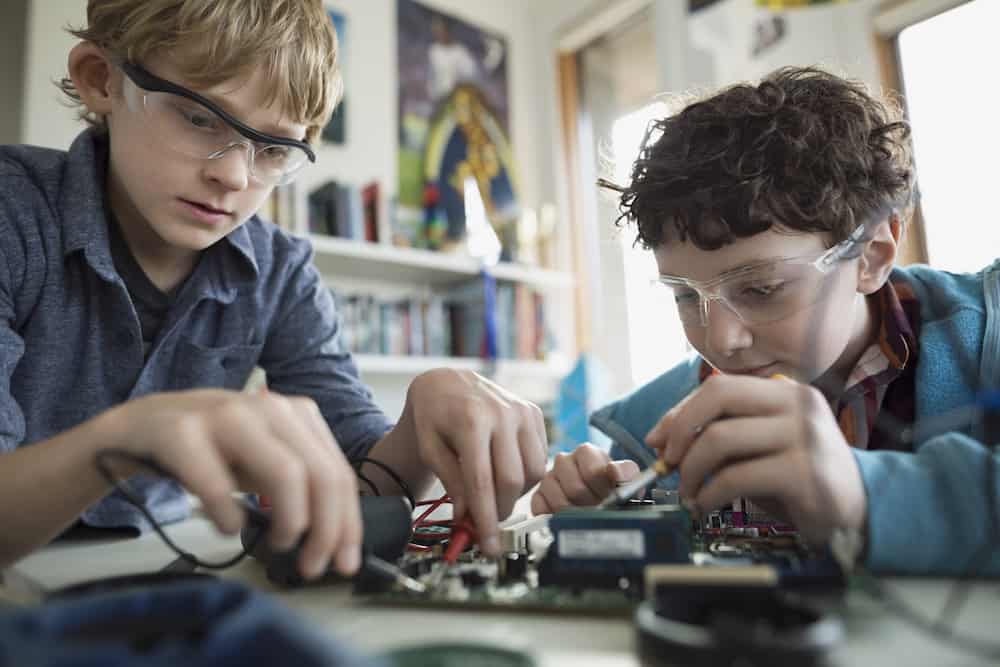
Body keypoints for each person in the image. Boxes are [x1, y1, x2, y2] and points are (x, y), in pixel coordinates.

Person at [0, 0, 547, 581]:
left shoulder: (280, 271)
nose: (234, 177)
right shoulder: (14, 213)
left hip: (153, 568)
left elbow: (358, 472)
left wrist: (418, 428)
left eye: (274, 148)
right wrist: (128, 437)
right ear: (100, 78)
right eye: (198, 117)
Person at [531, 66, 1000, 575]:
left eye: (761, 288)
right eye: (686, 296)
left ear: (870, 255)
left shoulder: (985, 341)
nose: (719, 340)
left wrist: (863, 494)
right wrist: (597, 511)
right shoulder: (647, 430)